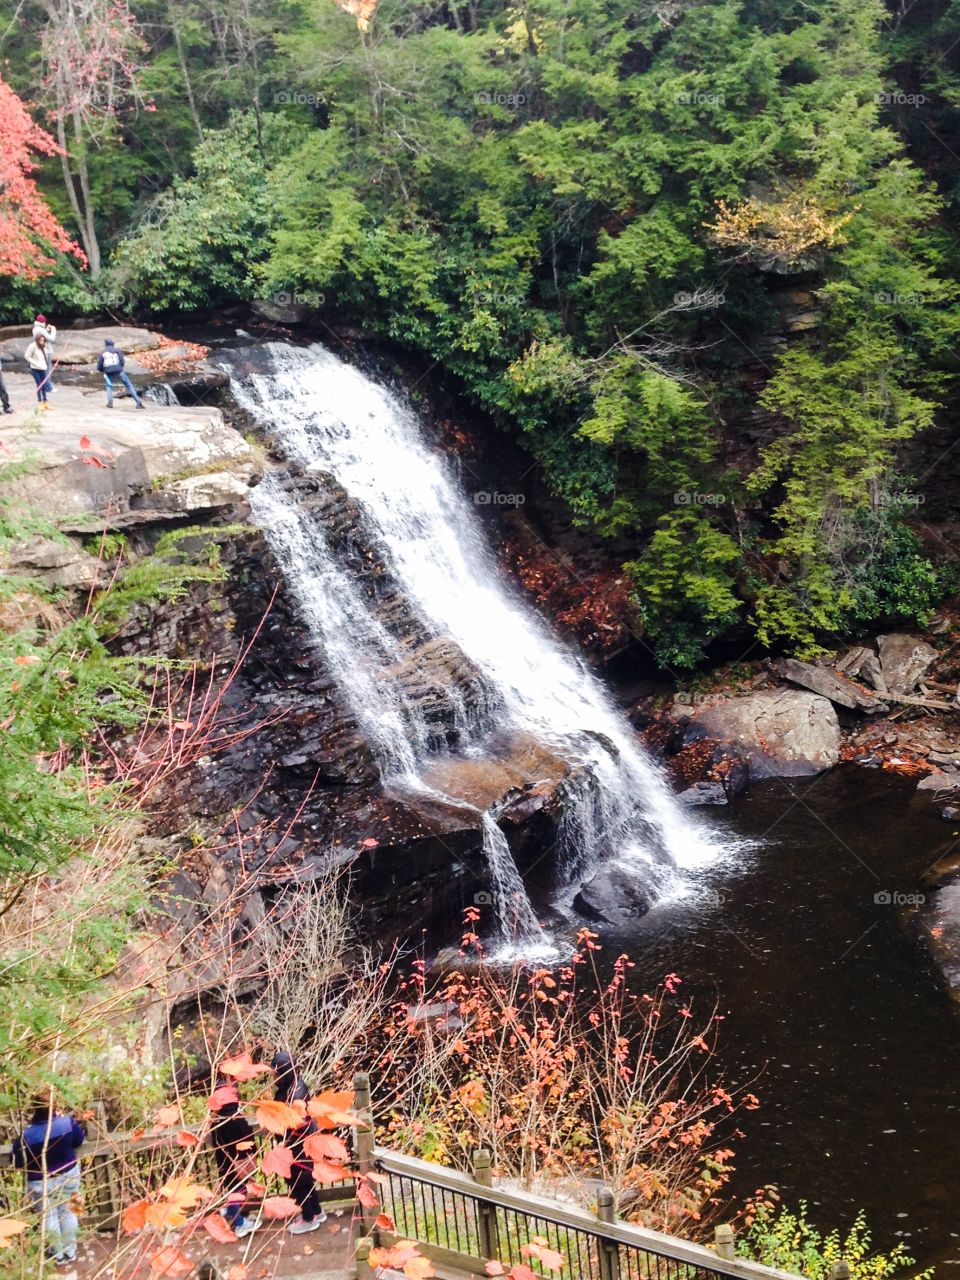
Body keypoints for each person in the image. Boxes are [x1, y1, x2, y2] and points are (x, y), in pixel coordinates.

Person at [11, 1091, 86, 1264]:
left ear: (34, 1108)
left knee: (49, 1216)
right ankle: (71, 1251)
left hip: (40, 1181)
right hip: (68, 1174)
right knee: (69, 1212)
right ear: (55, 1106)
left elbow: (17, 1160)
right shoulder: (66, 1123)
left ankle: (57, 1255)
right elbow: (79, 1140)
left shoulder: (27, 1135)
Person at [271, 1052, 326, 1234]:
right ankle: (316, 1211)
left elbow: (293, 1122)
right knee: (306, 1179)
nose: (273, 1076)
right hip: (302, 1143)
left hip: (296, 1145)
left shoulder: (292, 1094)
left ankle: (308, 1217)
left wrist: (283, 1142)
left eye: (276, 1073)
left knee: (298, 1181)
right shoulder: (297, 1085)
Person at [208, 1083, 260, 1240]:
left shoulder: (217, 1120)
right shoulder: (235, 1118)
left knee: (232, 1189)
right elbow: (247, 1137)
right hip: (239, 1161)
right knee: (239, 1189)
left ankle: (232, 1214)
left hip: (225, 1162)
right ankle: (239, 1223)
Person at [96, 339, 144, 409]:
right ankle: (138, 402)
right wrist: (120, 367)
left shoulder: (103, 352)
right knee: (128, 385)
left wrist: (103, 370)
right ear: (113, 344)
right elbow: (122, 361)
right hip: (118, 370)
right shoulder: (117, 350)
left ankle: (110, 402)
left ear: (105, 344)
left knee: (109, 386)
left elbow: (100, 365)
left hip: (108, 371)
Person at [24, 333, 52, 408]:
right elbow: (27, 356)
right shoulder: (32, 346)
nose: (42, 342)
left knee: (44, 385)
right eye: (40, 340)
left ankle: (45, 402)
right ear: (37, 340)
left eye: (43, 340)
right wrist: (35, 363)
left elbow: (44, 357)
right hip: (35, 369)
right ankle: (40, 402)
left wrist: (45, 365)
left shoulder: (44, 346)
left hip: (42, 368)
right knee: (39, 384)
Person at [32, 315, 57, 391]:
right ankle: (48, 388)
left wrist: (46, 330)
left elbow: (42, 335)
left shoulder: (35, 328)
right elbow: (52, 339)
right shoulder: (40, 330)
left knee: (44, 370)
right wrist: (53, 330)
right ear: (43, 322)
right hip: (46, 352)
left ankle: (46, 386)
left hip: (40, 351)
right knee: (47, 370)